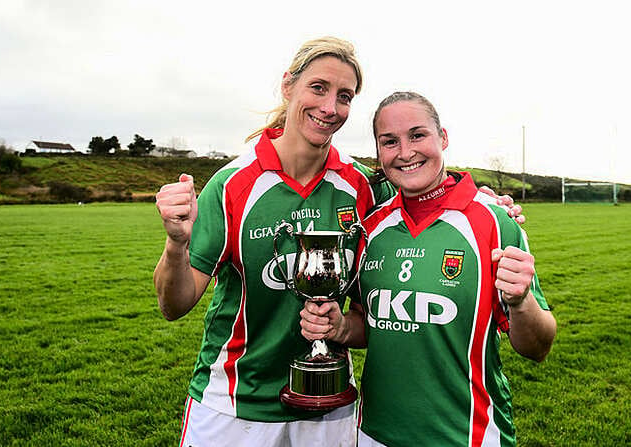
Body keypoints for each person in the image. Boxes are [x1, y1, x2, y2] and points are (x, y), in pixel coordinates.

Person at [154, 36, 523, 446]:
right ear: (287, 86)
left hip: (331, 405)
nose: (330, 108)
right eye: (318, 88)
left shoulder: (360, 187)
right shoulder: (232, 185)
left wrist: (485, 199)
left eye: (344, 96)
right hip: (233, 404)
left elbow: (422, 195)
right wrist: (175, 245)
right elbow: (174, 305)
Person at [300, 91, 557, 447]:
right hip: (373, 435)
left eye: (417, 135)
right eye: (390, 142)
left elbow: (537, 347)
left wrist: (520, 301)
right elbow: (368, 326)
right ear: (379, 152)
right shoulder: (371, 228)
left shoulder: (495, 223)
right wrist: (341, 327)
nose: (405, 153)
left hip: (467, 437)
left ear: (443, 138)